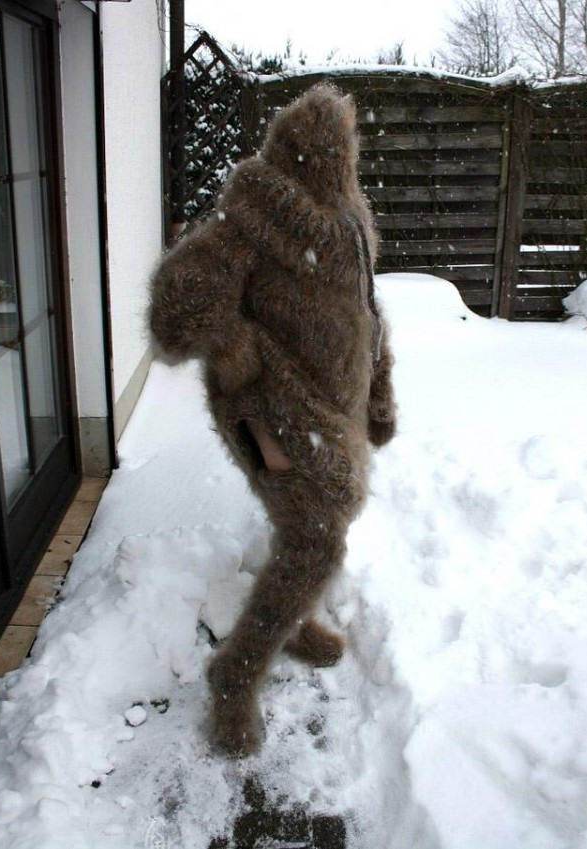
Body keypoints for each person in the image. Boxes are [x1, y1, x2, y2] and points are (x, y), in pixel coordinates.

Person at [149, 83, 397, 756]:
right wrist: (237, 357)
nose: (331, 164)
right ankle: (236, 673)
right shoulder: (248, 220)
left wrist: (379, 394)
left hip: (332, 405)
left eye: (338, 153)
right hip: (274, 409)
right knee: (320, 537)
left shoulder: (349, 220)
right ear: (289, 154)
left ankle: (300, 618)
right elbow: (175, 315)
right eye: (318, 153)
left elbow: (368, 313)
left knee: (310, 528)